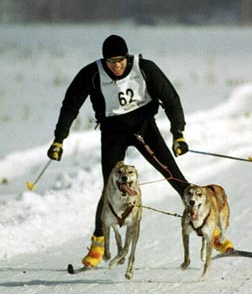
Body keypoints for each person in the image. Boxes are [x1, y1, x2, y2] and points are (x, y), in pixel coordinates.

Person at [47, 35, 232, 268]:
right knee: (110, 187)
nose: (117, 66)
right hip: (113, 132)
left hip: (144, 128)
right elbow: (70, 105)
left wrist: (178, 133)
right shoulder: (91, 74)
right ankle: (98, 244)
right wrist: (59, 140)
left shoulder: (145, 68)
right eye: (111, 61)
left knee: (174, 177)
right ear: (105, 60)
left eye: (121, 60)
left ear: (127, 56)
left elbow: (171, 98)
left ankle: (211, 231)